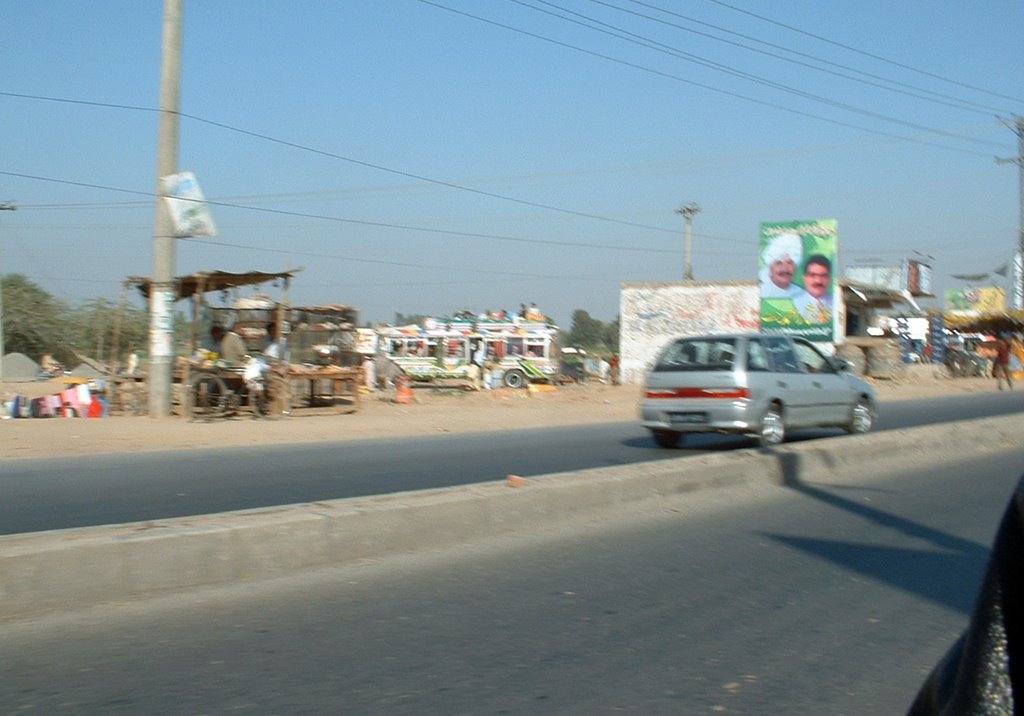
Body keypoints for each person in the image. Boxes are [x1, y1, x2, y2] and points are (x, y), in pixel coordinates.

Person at [760, 233, 810, 300]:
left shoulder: (802, 294)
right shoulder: (760, 293)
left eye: (789, 263)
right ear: (770, 268)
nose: (785, 268)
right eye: (778, 263)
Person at [792, 255, 833, 323]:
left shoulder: (837, 304)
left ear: (829, 280)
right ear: (804, 279)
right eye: (813, 275)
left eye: (823, 276)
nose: (818, 281)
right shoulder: (794, 303)